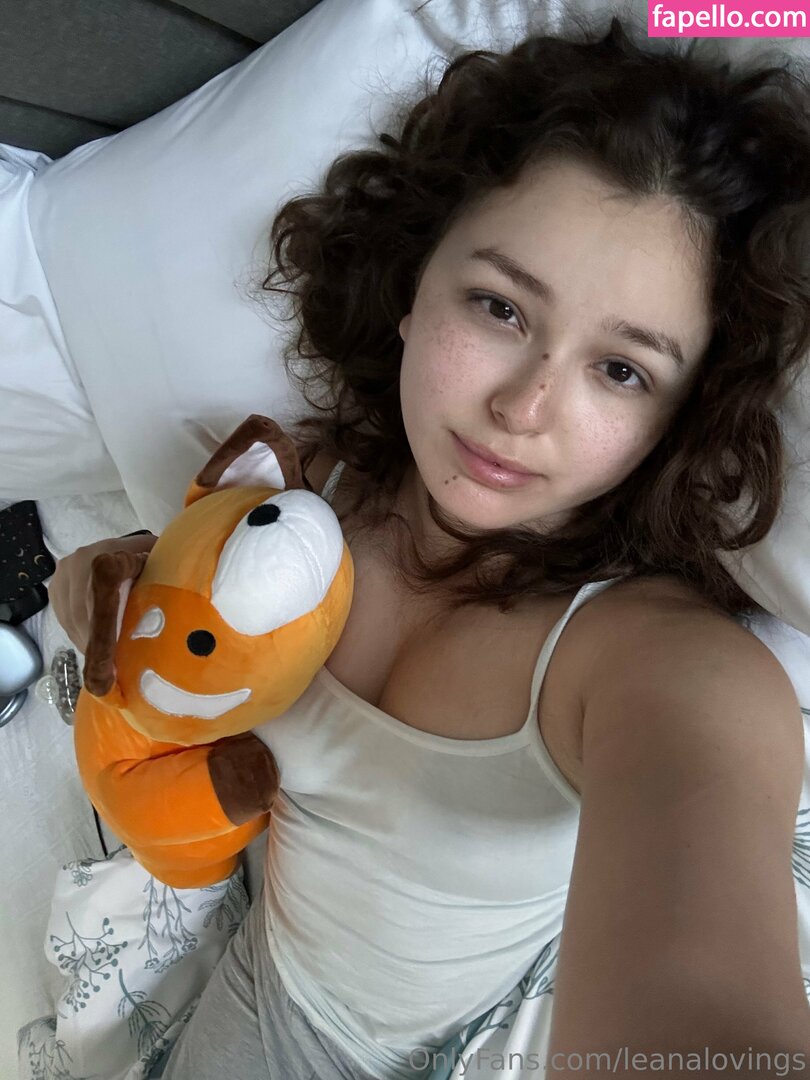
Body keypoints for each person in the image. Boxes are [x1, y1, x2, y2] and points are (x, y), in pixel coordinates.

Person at [51, 14, 810, 1079]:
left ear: (675, 421)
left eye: (622, 371)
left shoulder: (657, 666)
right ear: (413, 287)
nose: (523, 407)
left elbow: (703, 987)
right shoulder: (306, 489)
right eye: (500, 307)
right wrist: (110, 580)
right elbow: (139, 595)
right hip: (263, 982)